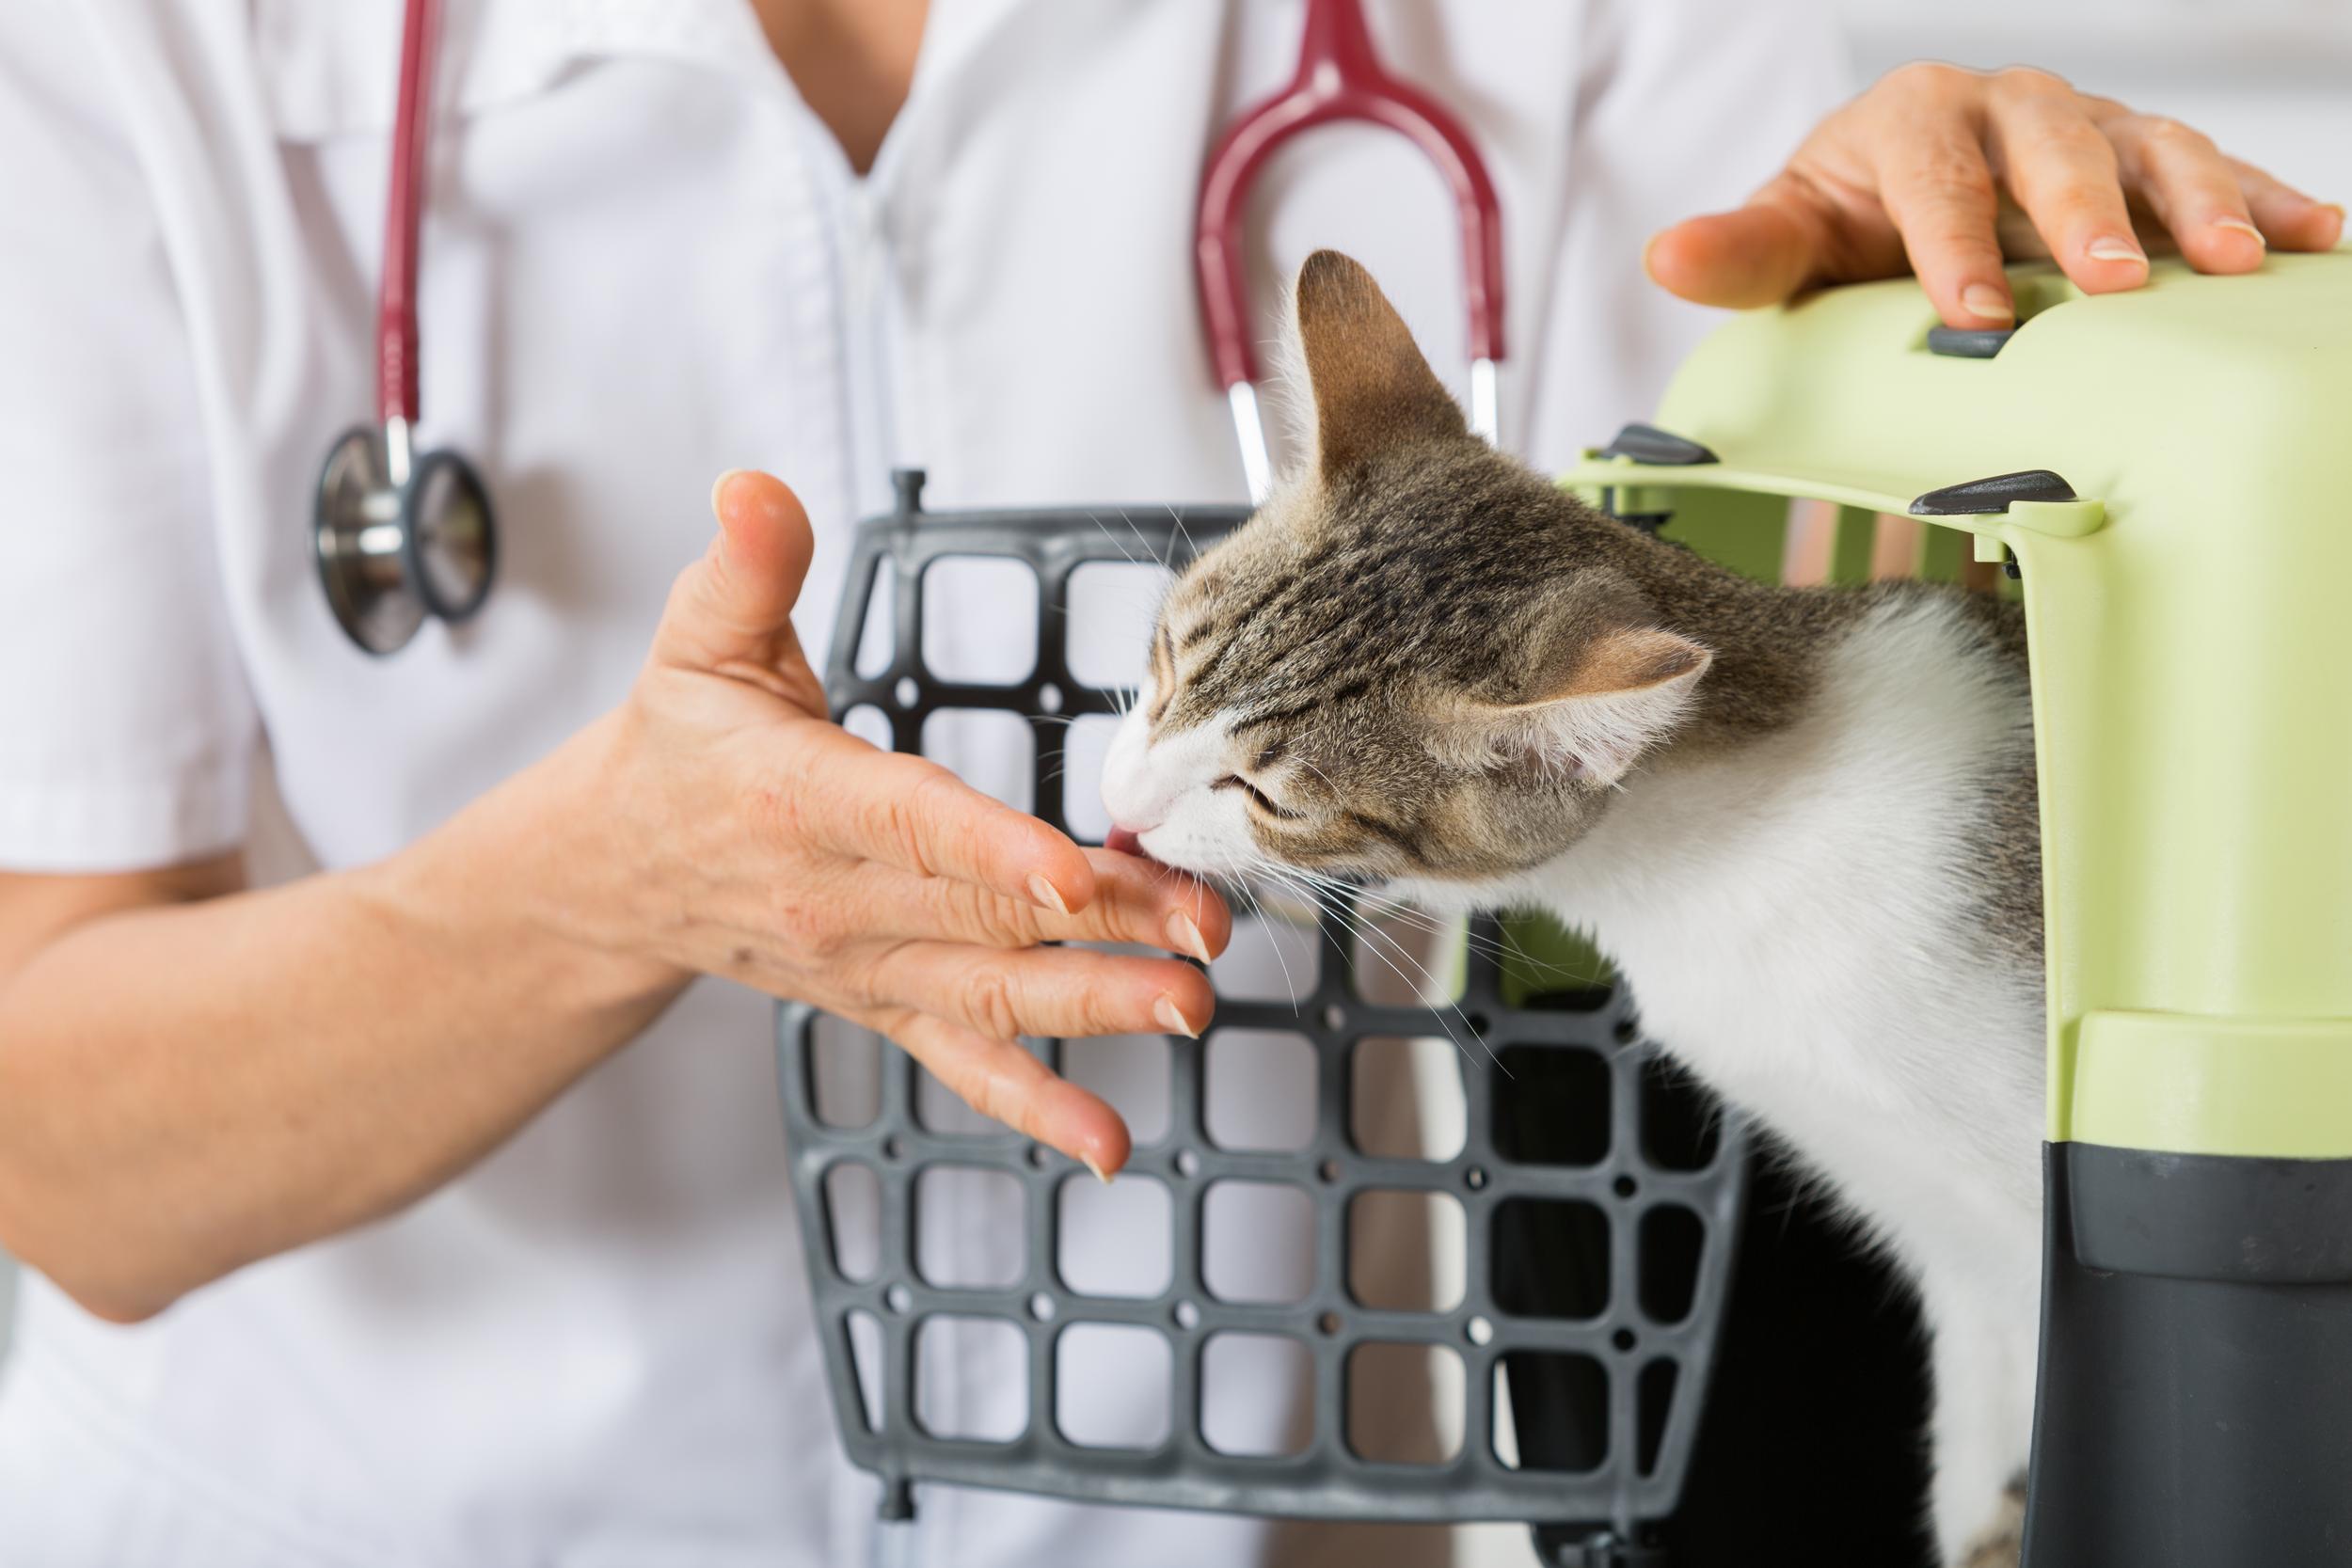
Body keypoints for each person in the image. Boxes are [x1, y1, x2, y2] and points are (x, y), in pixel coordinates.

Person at [0, 2, 2333, 1563]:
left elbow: (1816, 492)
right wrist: (598, 894)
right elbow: (56, 1156)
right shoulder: (135, 66)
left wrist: (1942, 261)